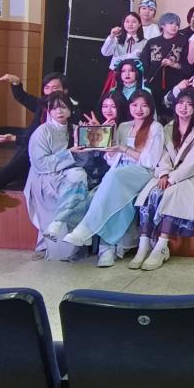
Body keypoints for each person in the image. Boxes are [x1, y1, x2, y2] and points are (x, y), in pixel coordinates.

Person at [62, 91, 164, 266]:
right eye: (134, 105)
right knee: (113, 196)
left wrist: (124, 149)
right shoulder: (124, 126)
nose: (139, 109)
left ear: (151, 108)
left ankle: (87, 228)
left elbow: (151, 161)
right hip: (119, 172)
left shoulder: (156, 128)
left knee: (113, 177)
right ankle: (106, 248)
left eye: (144, 105)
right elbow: (111, 158)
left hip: (142, 172)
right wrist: (99, 133)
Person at [133, 88, 194, 271]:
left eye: (189, 104)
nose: (184, 107)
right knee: (151, 192)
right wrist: (164, 173)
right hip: (172, 173)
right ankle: (144, 244)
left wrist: (172, 178)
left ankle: (162, 245)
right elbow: (163, 154)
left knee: (174, 193)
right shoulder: (169, 128)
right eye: (181, 103)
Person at [0, 72, 70, 212]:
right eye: (46, 88)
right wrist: (16, 83)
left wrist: (14, 138)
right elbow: (22, 97)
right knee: (18, 161)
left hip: (57, 156)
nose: (50, 92)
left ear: (65, 90)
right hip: (33, 150)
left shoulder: (71, 111)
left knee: (17, 168)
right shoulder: (43, 105)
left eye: (55, 88)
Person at [25, 91, 91, 261]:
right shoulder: (42, 132)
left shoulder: (76, 129)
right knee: (77, 179)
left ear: (70, 110)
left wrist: (88, 139)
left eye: (63, 107)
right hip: (45, 177)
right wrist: (69, 153)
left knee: (79, 175)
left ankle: (58, 224)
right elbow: (40, 164)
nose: (59, 111)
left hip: (68, 174)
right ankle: (60, 230)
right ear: (49, 111)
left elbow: (82, 162)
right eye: (54, 108)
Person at [140, 12, 189, 119]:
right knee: (153, 114)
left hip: (175, 85)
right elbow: (144, 63)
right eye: (171, 23)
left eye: (177, 24)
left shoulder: (183, 42)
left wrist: (173, 64)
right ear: (162, 25)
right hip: (154, 85)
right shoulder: (152, 42)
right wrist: (146, 79)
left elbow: (187, 66)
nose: (174, 26)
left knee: (173, 115)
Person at [100, 12, 147, 93]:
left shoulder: (145, 42)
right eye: (127, 21)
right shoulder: (116, 39)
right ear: (123, 24)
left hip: (135, 77)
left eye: (134, 22)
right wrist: (111, 36)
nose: (130, 24)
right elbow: (105, 53)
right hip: (116, 75)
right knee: (114, 98)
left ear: (139, 24)